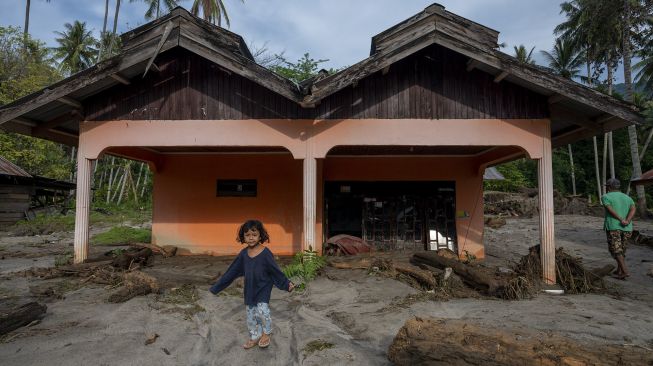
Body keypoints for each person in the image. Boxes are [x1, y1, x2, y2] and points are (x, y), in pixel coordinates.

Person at [209, 219, 294, 349]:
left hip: (264, 286)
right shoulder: (243, 254)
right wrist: (216, 287)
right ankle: (255, 335)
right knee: (251, 314)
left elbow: (275, 271)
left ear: (260, 236)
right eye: (247, 235)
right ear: (243, 237)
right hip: (250, 288)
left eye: (254, 235)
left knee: (262, 310)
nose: (251, 238)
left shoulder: (266, 253)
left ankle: (266, 333)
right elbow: (231, 272)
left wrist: (287, 284)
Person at [601, 178, 636, 280]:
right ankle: (619, 270)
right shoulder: (627, 197)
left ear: (609, 187)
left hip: (613, 226)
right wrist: (628, 220)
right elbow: (633, 208)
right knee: (622, 250)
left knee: (616, 250)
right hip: (627, 228)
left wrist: (621, 219)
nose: (606, 188)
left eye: (607, 186)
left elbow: (610, 209)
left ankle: (625, 271)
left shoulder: (605, 197)